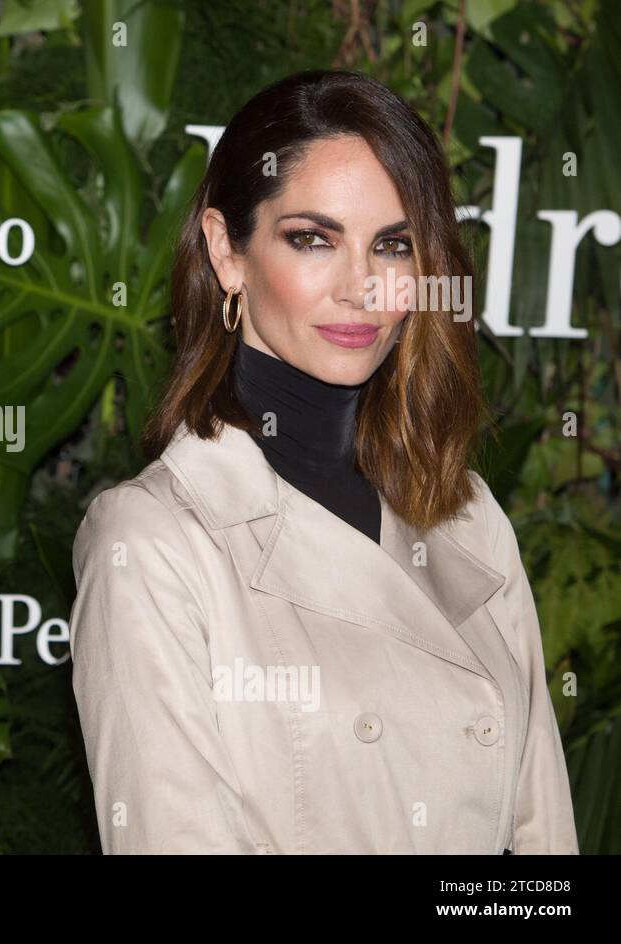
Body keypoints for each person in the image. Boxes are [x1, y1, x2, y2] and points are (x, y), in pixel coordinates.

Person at [68, 69, 579, 854]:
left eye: (393, 245)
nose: (363, 287)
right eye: (313, 239)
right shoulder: (156, 541)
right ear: (225, 252)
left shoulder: (467, 516)